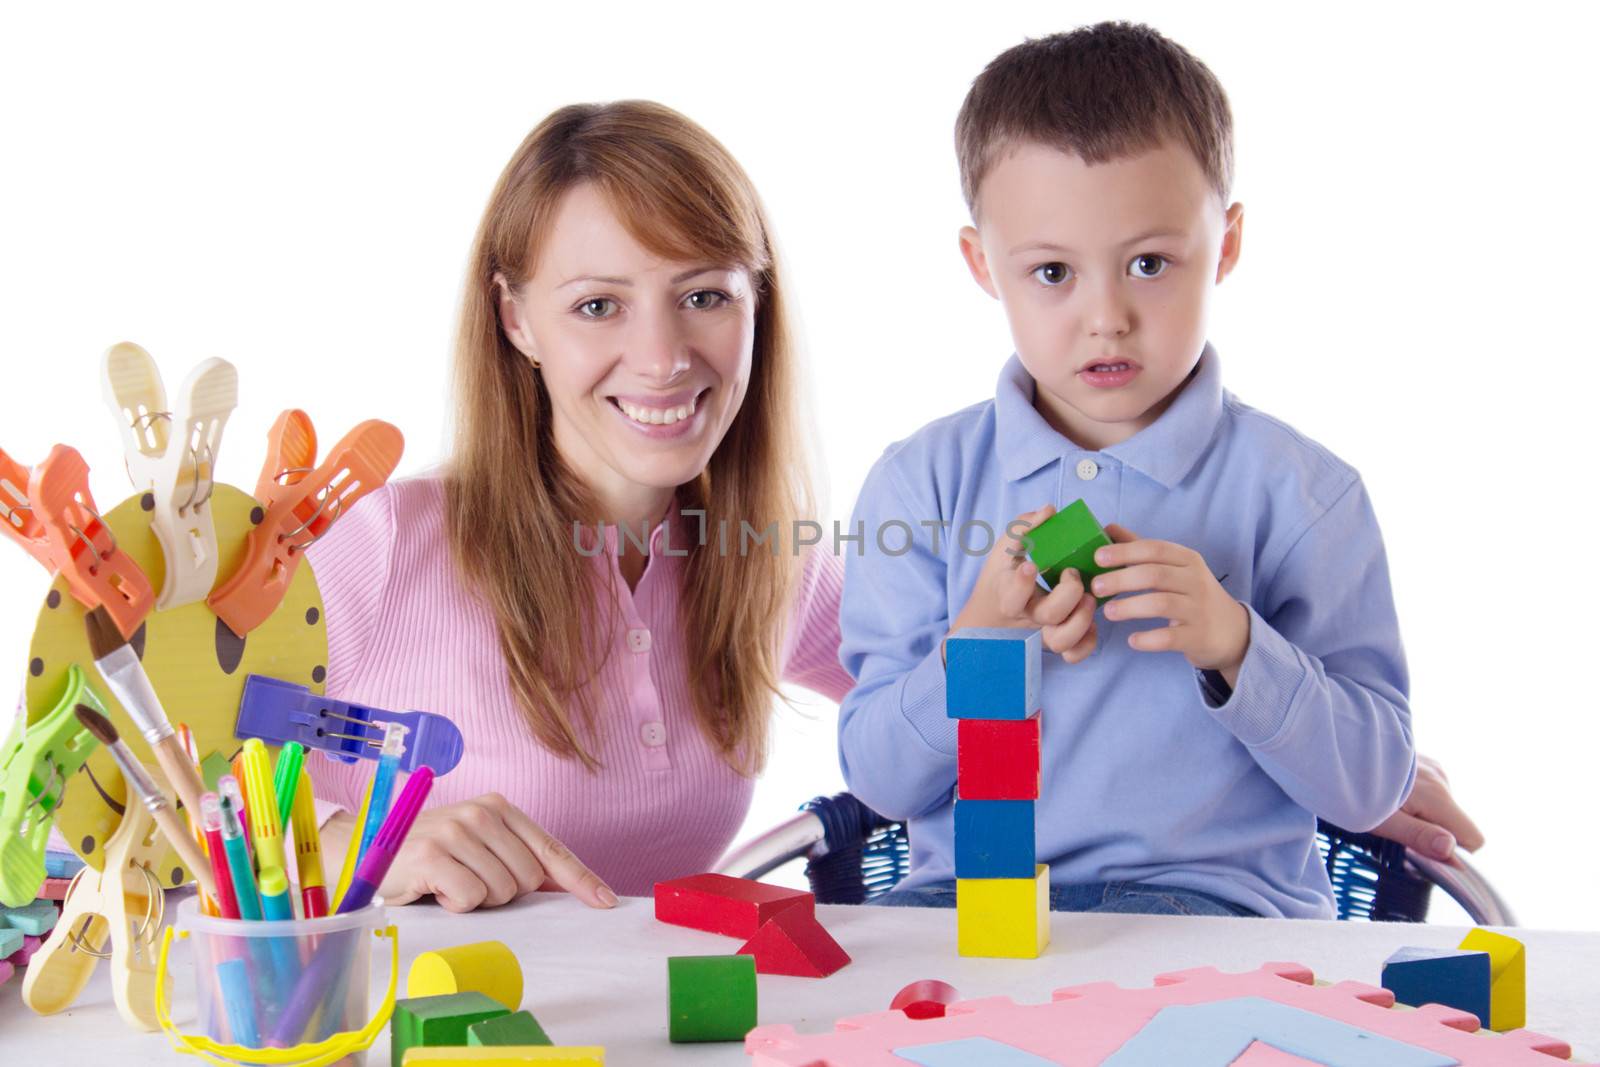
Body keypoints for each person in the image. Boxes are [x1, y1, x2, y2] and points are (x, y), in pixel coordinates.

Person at [836, 22, 1466, 918]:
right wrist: (980, 638)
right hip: (964, 913)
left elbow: (1368, 786)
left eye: (1149, 263)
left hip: (1224, 913)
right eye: (1052, 270)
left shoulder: (1305, 494)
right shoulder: (921, 483)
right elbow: (880, 781)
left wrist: (1235, 643)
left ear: (1228, 243)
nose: (1108, 317)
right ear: (984, 266)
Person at [307, 100, 853, 911]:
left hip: (645, 1037)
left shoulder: (765, 557)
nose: (664, 358)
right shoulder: (389, 543)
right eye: (599, 306)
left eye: (705, 295)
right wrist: (345, 841)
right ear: (517, 319)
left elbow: (980, 700)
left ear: (756, 302)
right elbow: (87, 783)